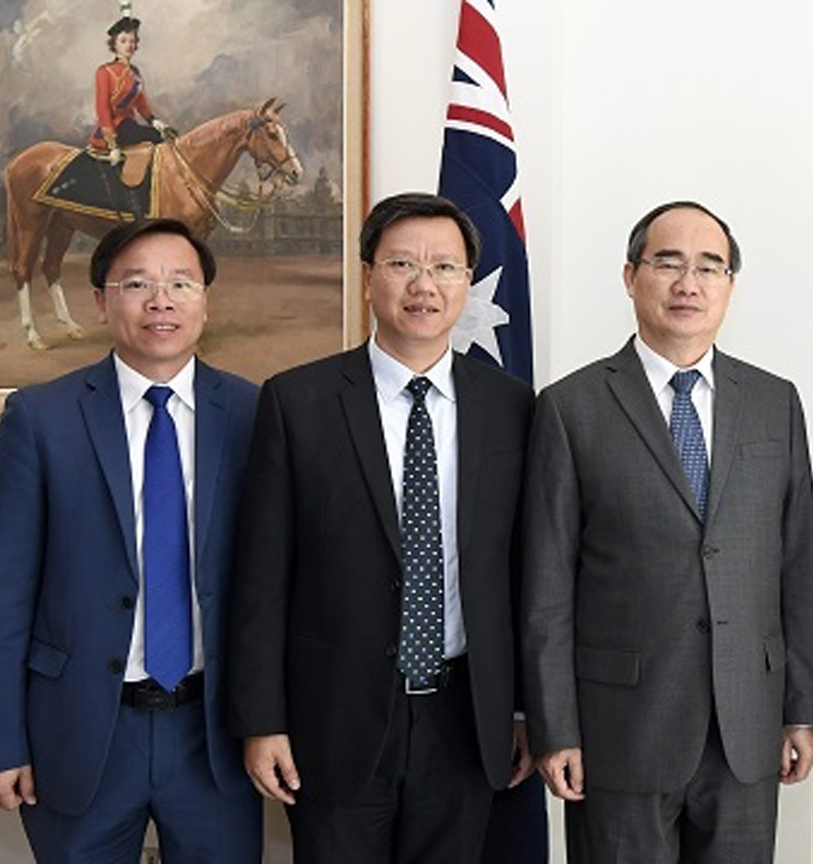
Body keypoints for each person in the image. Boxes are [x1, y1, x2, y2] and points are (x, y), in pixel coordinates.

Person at [226, 192, 535, 862]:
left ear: (467, 284)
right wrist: (262, 720)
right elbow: (262, 576)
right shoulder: (297, 401)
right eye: (402, 263)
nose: (424, 285)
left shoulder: (511, 407)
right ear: (368, 276)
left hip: (466, 716)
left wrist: (520, 711)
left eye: (445, 268)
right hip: (332, 718)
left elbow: (522, 571)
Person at [521, 201, 813, 863]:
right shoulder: (571, 409)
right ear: (631, 276)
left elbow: (799, 565)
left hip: (746, 728)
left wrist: (803, 707)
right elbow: (547, 588)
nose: (689, 283)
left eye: (709, 267)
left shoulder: (776, 403)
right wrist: (556, 727)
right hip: (619, 731)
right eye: (668, 263)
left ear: (729, 287)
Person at [0, 218, 262, 861]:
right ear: (101, 301)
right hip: (79, 731)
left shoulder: (254, 414)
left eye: (180, 282)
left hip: (213, 732)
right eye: (137, 283)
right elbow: (0, 590)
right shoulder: (40, 419)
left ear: (205, 302)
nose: (161, 299)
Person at [89, 15, 173, 166]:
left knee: (164, 135)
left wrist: (156, 122)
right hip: (113, 128)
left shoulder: (135, 73)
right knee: (153, 137)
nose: (129, 45)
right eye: (123, 41)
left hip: (129, 125)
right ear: (114, 44)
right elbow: (102, 108)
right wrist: (112, 144)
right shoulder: (105, 71)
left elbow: (141, 104)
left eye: (132, 41)